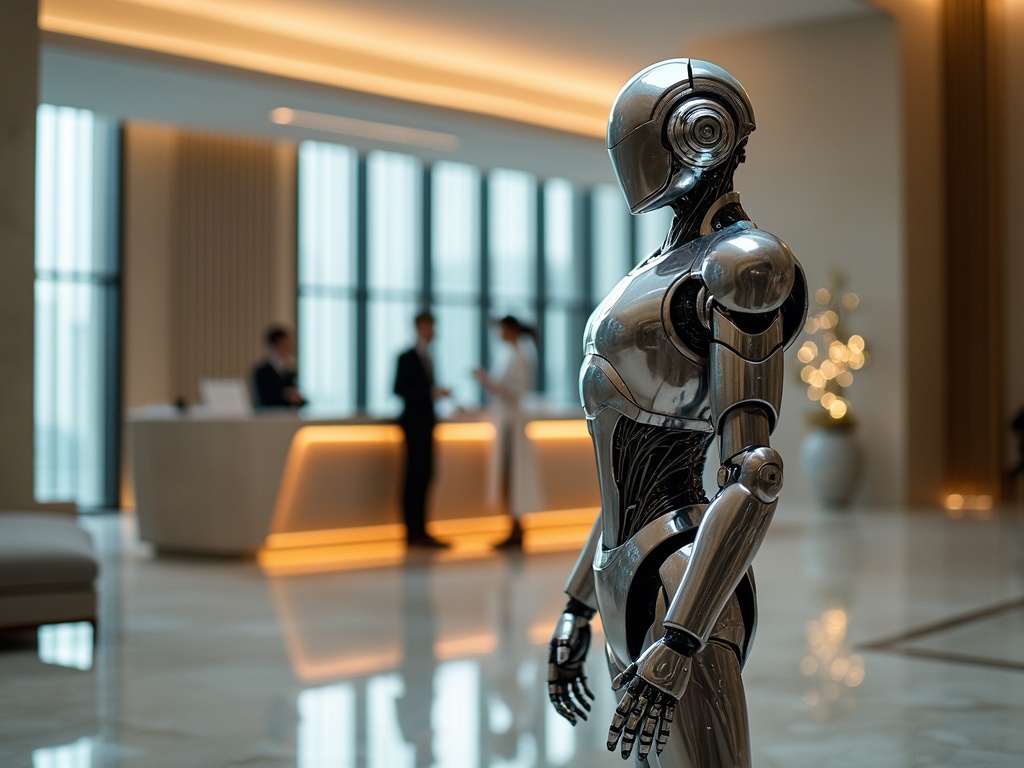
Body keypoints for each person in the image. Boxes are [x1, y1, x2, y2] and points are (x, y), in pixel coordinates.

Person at [547, 59, 806, 767]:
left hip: (686, 579)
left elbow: (754, 473)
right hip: (624, 572)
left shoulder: (743, 263)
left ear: (700, 132)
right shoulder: (661, 267)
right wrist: (578, 600)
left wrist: (684, 637)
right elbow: (625, 469)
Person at [473, 315, 542, 549]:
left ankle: (516, 528)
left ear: (510, 330)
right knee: (509, 476)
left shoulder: (520, 355)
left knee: (513, 475)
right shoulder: (515, 354)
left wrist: (487, 382)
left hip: (512, 422)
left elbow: (513, 391)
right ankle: (513, 527)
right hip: (508, 421)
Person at [394, 312, 451, 548]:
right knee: (414, 476)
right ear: (420, 327)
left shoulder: (429, 357)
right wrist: (430, 394)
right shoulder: (406, 357)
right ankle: (412, 531)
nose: (433, 331)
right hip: (413, 424)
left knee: (426, 475)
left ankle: (422, 529)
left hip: (427, 424)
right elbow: (399, 388)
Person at [252, 325, 307, 409]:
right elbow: (262, 397)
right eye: (287, 341)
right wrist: (285, 395)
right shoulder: (261, 370)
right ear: (278, 343)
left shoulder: (289, 369)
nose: (291, 345)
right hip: (269, 417)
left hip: (288, 416)